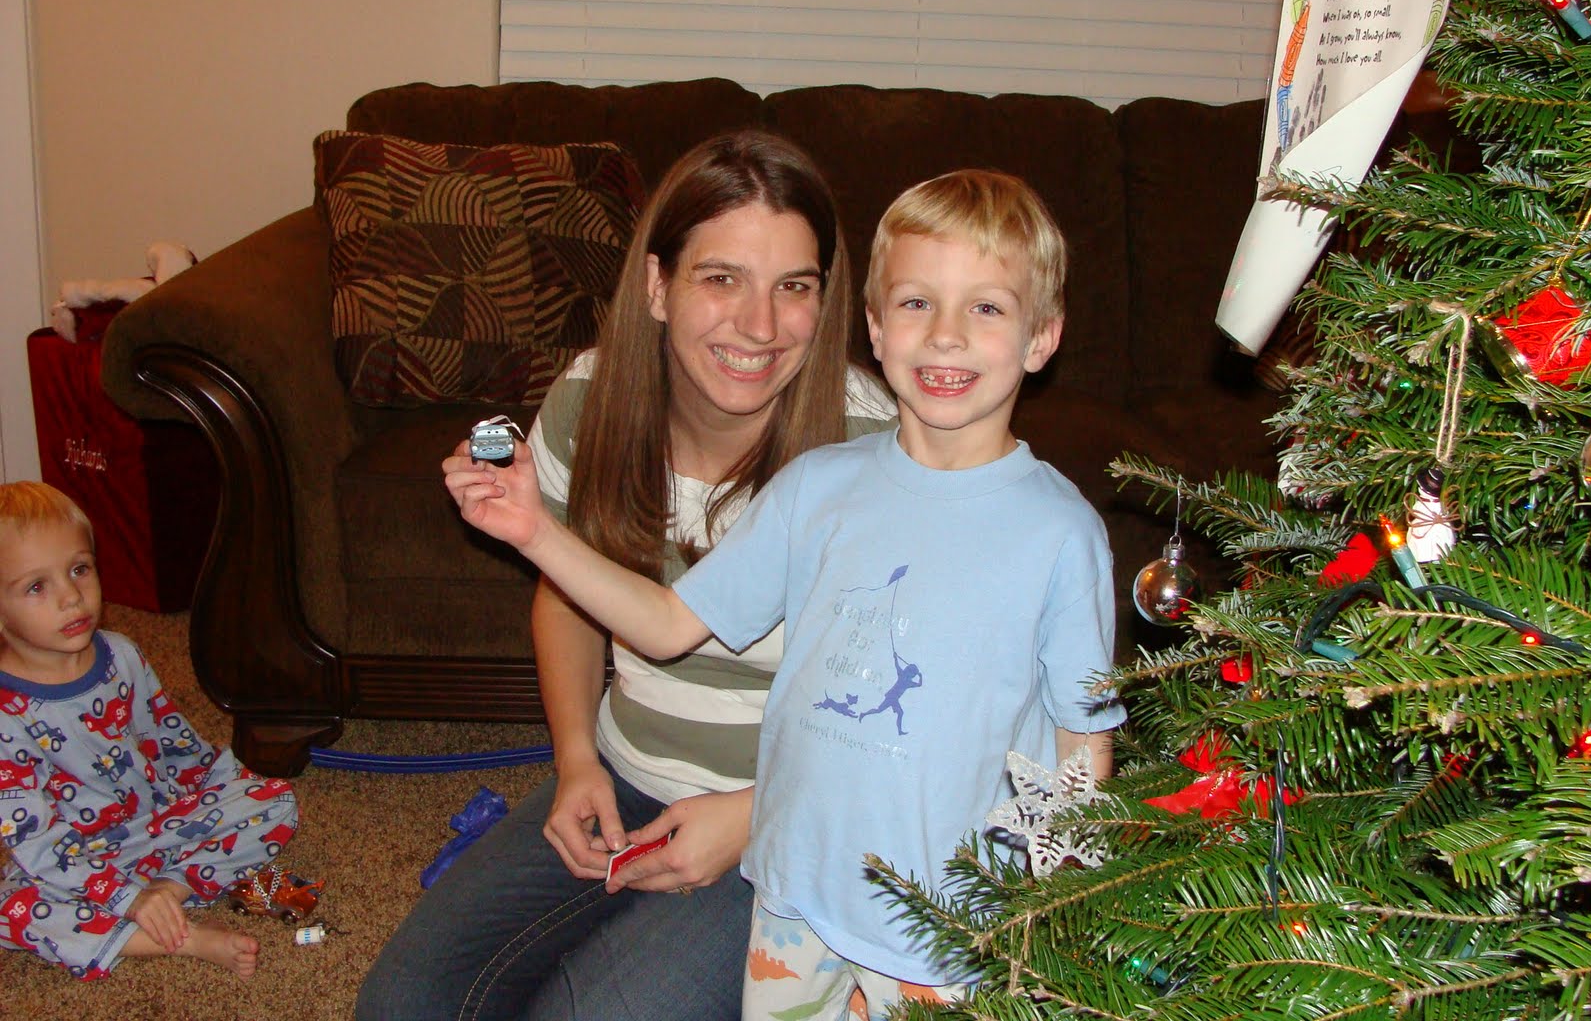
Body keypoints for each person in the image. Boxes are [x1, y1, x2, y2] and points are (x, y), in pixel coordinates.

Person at [443, 169, 1126, 1019]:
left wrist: (1062, 904)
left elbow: (1081, 740)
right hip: (794, 893)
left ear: (1041, 337)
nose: (946, 335)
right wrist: (533, 532)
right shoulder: (816, 486)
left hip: (953, 917)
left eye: (986, 308)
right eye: (916, 303)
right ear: (874, 325)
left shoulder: (1060, 534)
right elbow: (667, 624)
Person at [357, 130, 896, 1021]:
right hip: (628, 771)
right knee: (403, 1004)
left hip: (794, 816)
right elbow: (567, 597)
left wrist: (754, 816)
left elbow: (910, 718)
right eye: (721, 278)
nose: (760, 326)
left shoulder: (871, 448)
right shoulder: (591, 398)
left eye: (794, 287)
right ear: (656, 286)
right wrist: (575, 761)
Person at [0, 481, 298, 981]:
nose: (71, 597)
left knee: (275, 799)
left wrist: (227, 790)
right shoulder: (6, 714)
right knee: (15, 911)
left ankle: (169, 893)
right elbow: (38, 844)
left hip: (156, 825)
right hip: (73, 860)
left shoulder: (122, 655)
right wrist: (122, 896)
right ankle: (181, 940)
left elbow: (177, 745)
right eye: (37, 586)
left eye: (79, 569)